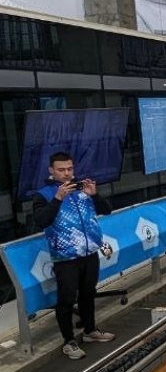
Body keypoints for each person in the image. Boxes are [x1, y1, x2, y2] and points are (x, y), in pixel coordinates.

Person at [32, 151, 115, 360]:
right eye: (61, 170)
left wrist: (94, 194)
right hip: (64, 257)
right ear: (51, 170)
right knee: (67, 299)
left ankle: (90, 331)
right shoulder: (43, 194)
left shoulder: (82, 189)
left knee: (88, 293)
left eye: (69, 169)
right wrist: (58, 198)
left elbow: (107, 210)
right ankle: (68, 341)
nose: (67, 174)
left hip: (89, 253)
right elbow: (41, 220)